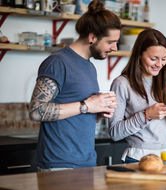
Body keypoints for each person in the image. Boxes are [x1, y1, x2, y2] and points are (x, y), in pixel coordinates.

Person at [29, 0, 121, 171]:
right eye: (110, 42)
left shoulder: (89, 66)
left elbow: (80, 112)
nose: (115, 47)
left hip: (86, 163)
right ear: (92, 37)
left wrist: (98, 111)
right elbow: (36, 111)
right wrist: (86, 106)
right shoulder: (57, 62)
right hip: (58, 165)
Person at [109, 29, 166, 163]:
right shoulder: (122, 84)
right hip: (139, 158)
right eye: (153, 59)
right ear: (139, 55)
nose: (159, 64)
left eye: (164, 59)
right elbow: (115, 133)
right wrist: (146, 115)